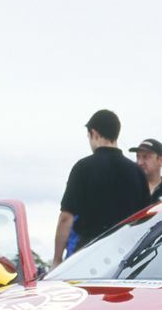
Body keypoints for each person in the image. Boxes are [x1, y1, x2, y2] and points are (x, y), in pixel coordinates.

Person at [53, 109, 150, 266]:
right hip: (125, 258)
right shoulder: (137, 172)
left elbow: (66, 218)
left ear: (94, 133)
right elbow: (144, 221)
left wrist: (57, 260)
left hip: (87, 255)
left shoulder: (82, 167)